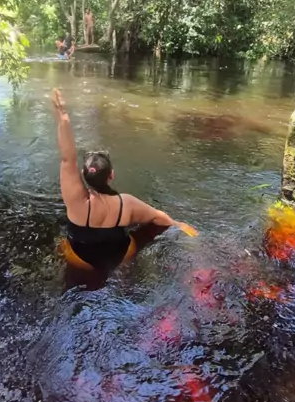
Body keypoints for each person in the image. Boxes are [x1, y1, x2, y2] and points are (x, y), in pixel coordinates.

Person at [51, 88, 195, 271]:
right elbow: (158, 217)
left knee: (60, 244)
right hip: (121, 257)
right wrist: (178, 225)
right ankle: (127, 273)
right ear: (111, 175)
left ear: (83, 174)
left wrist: (63, 117)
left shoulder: (76, 201)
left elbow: (67, 159)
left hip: (80, 260)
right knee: (147, 230)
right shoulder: (127, 203)